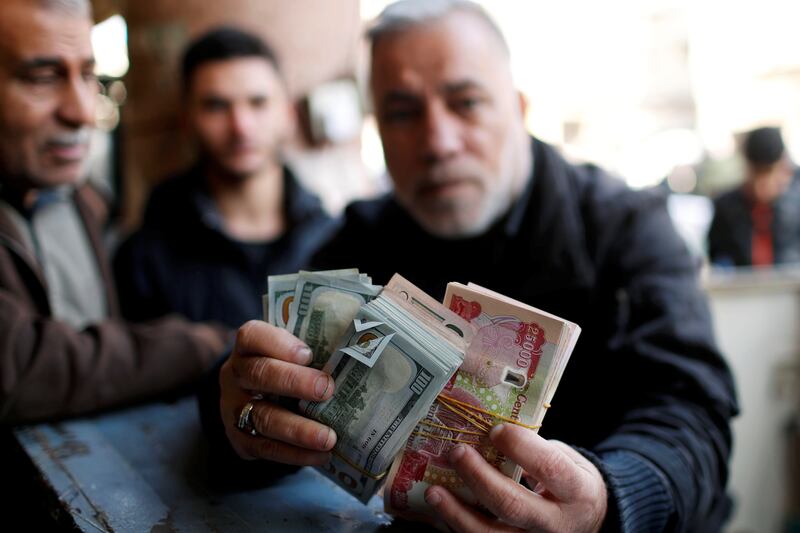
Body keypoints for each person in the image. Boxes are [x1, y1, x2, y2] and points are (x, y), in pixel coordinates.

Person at [212, 1, 738, 531]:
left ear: (519, 107)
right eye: (401, 112)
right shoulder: (358, 239)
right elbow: (253, 369)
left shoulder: (627, 229)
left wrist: (610, 499)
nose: (438, 142)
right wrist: (237, 415)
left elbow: (691, 413)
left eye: (466, 102)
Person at [0, 0, 227, 423]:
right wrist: (204, 345)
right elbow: (22, 366)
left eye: (87, 75)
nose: (83, 111)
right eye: (42, 78)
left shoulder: (83, 200)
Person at [114, 28, 337, 328]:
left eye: (258, 103)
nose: (240, 126)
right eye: (216, 106)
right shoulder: (145, 255)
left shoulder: (332, 239)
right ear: (187, 120)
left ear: (288, 114)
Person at [708, 126, 800, 267]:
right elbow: (717, 256)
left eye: (768, 172)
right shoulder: (727, 207)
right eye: (757, 172)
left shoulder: (795, 206)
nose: (761, 184)